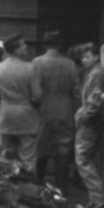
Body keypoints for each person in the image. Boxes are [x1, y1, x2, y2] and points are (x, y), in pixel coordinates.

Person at [31, 31, 81, 187]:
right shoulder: (70, 63)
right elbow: (76, 92)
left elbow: (36, 93)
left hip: (44, 110)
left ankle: (38, 184)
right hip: (65, 109)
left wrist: (35, 105)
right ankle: (62, 189)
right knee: (63, 150)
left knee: (41, 148)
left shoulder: (37, 62)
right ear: (60, 45)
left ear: (45, 45)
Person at [0, 34, 42, 167]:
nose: (26, 47)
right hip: (27, 117)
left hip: (5, 116)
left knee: (4, 158)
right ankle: (29, 185)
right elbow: (37, 96)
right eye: (23, 44)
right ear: (16, 49)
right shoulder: (31, 68)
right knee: (28, 158)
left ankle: (4, 186)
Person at [73, 42, 104, 208]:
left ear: (96, 56)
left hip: (90, 122)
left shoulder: (96, 74)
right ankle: (96, 197)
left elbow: (94, 101)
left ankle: (99, 196)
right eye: (82, 57)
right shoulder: (95, 72)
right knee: (91, 159)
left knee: (82, 158)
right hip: (94, 121)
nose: (83, 60)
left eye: (87, 56)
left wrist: (83, 118)